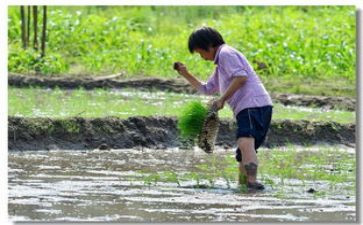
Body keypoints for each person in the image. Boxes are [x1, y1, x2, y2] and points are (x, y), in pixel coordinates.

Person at [174, 26, 273, 191]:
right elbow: (206, 89)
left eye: (201, 52)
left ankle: (252, 183)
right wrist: (185, 73)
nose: (202, 57)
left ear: (210, 45)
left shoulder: (226, 54)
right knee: (244, 150)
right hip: (253, 107)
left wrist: (222, 99)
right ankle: (244, 186)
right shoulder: (220, 66)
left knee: (245, 141)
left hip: (252, 105)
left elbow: (241, 77)